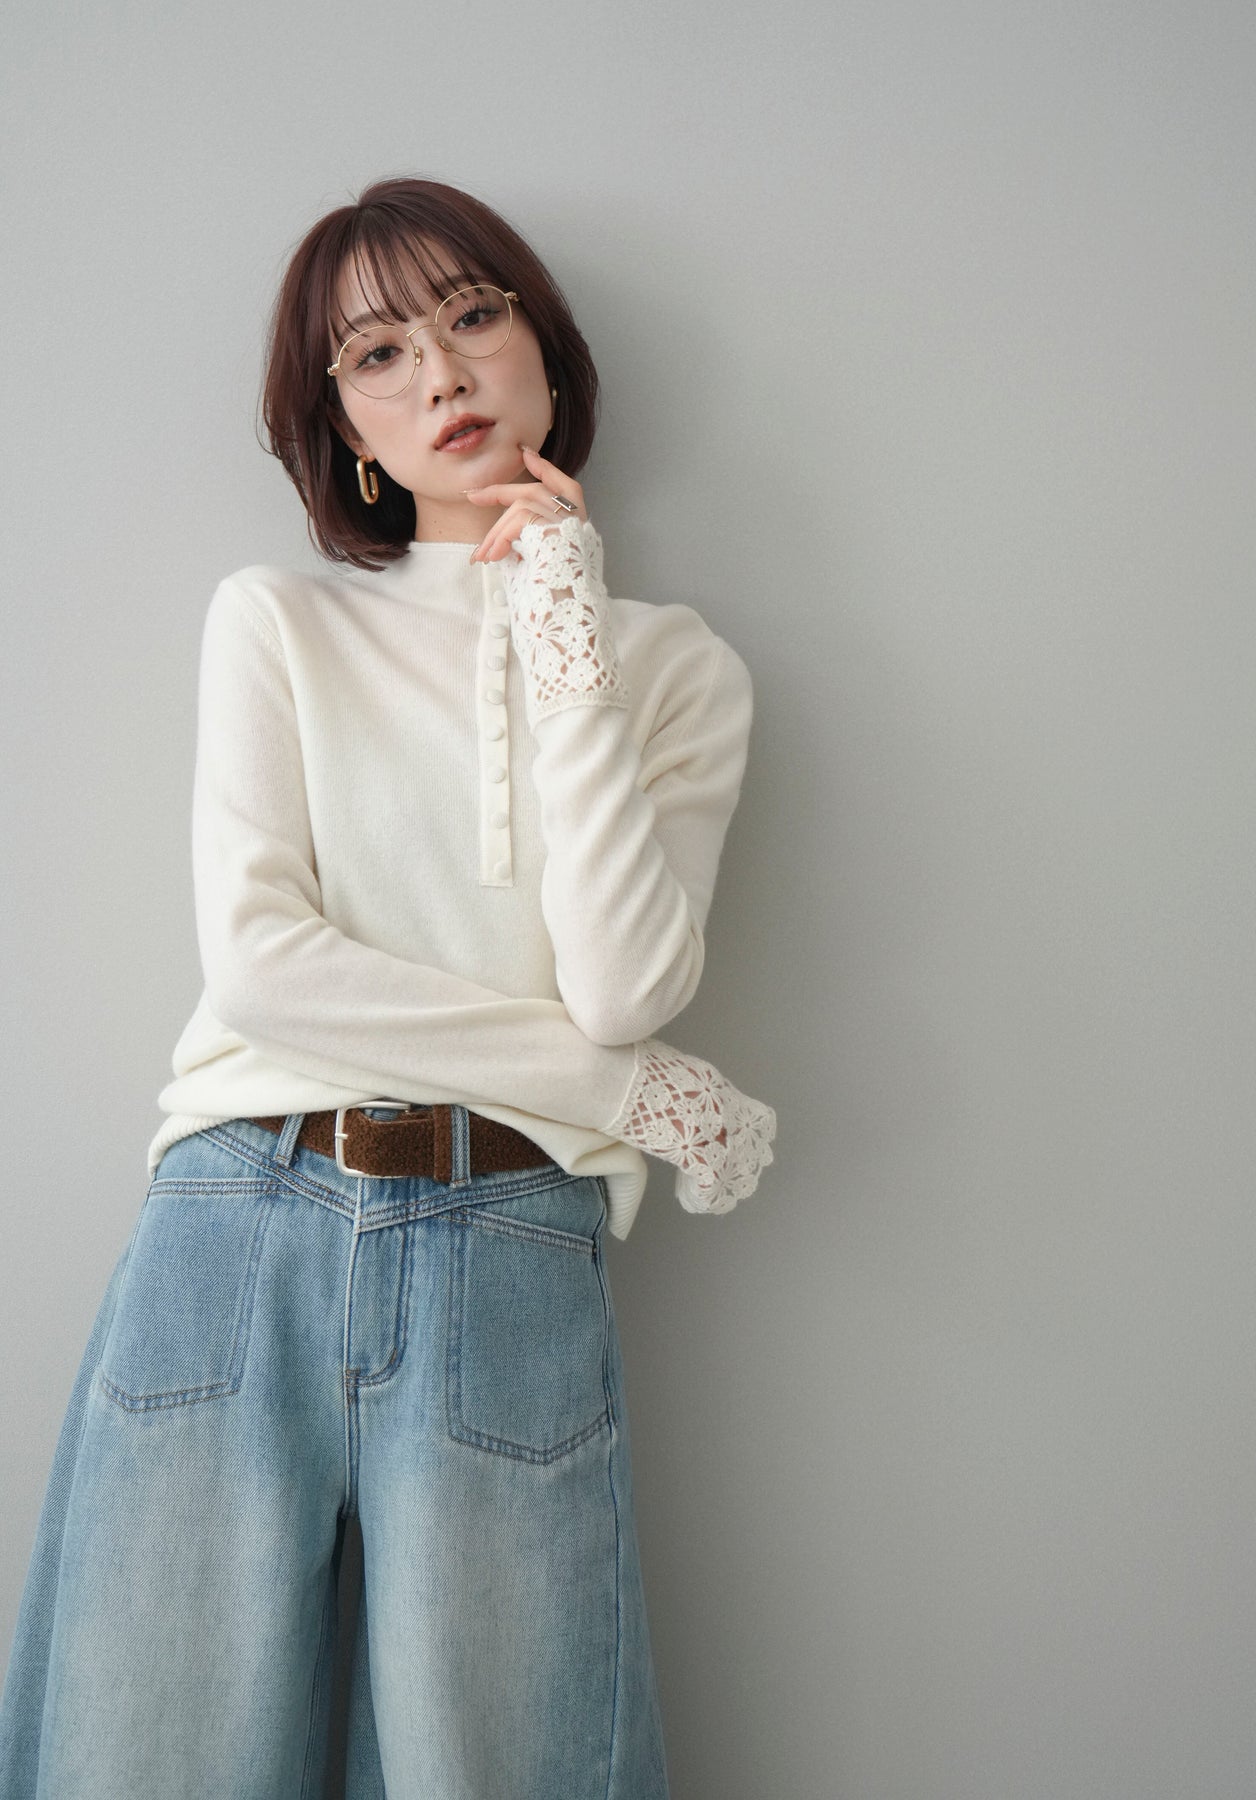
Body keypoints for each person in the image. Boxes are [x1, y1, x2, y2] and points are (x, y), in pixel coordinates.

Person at [0, 175, 775, 1796]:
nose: (442, 373)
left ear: (544, 347)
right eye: (376, 353)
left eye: (474, 316)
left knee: (505, 1766)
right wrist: (626, 1099)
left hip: (511, 1236)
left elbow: (625, 982)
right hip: (241, 1219)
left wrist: (560, 623)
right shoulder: (276, 622)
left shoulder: (676, 669)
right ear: (342, 422)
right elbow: (264, 970)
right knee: (149, 1759)